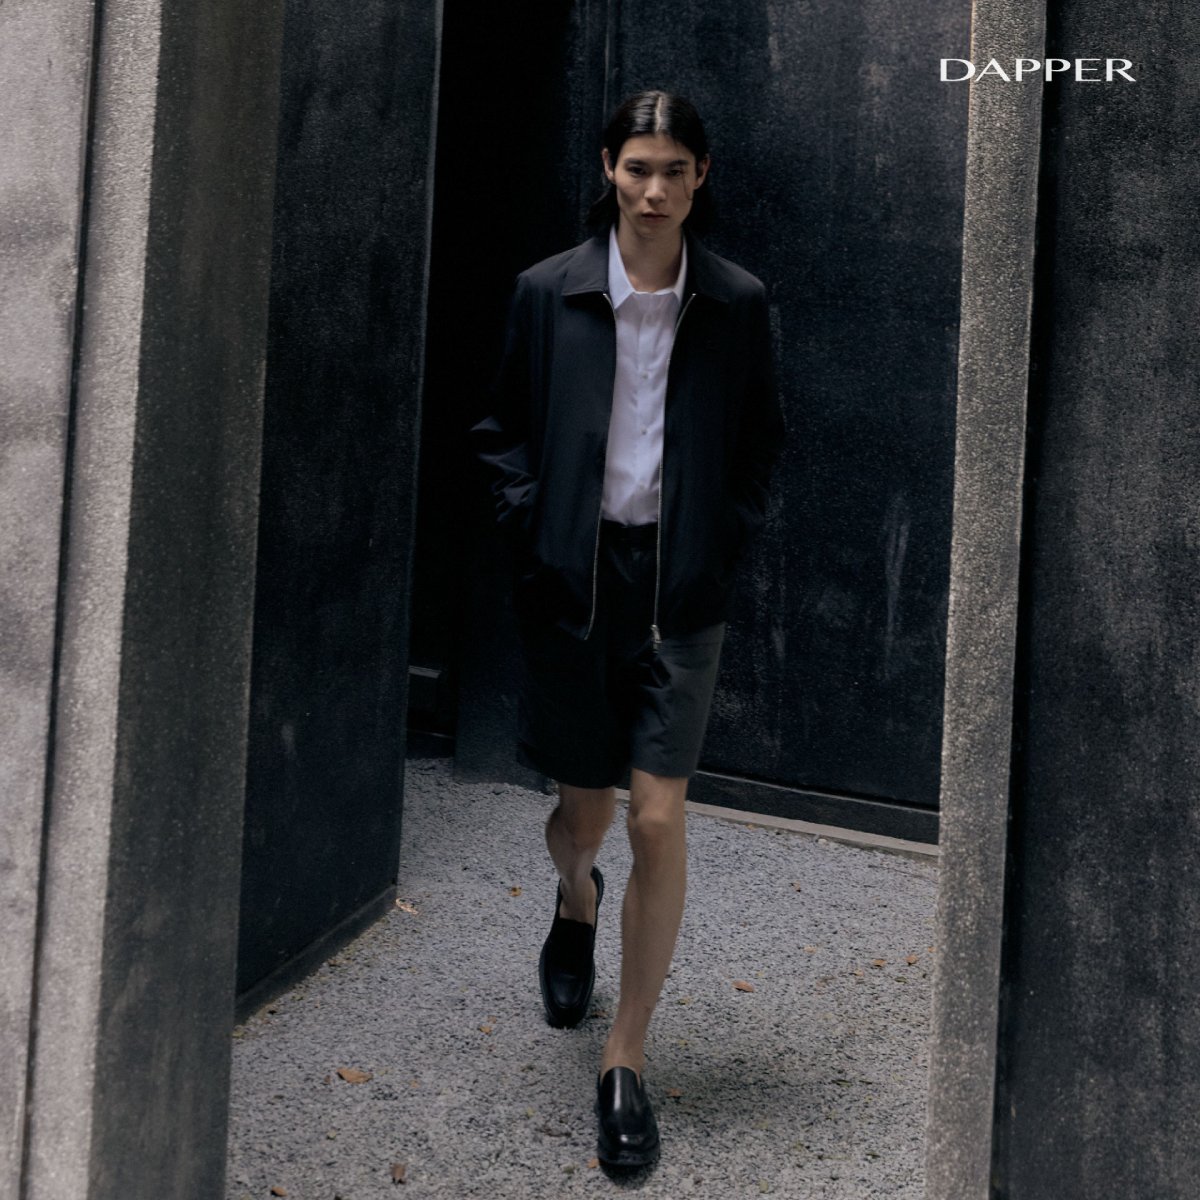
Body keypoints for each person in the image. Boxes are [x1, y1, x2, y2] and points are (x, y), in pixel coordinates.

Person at [472, 89, 784, 1169]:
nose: (655, 191)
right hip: (574, 581)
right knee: (587, 817)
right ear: (609, 167)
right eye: (638, 168)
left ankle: (625, 1060)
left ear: (701, 178)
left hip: (679, 591)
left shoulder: (735, 303)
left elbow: (760, 444)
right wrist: (536, 529)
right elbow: (500, 431)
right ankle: (576, 900)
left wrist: (716, 544)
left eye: (675, 171)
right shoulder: (547, 292)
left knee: (658, 818)